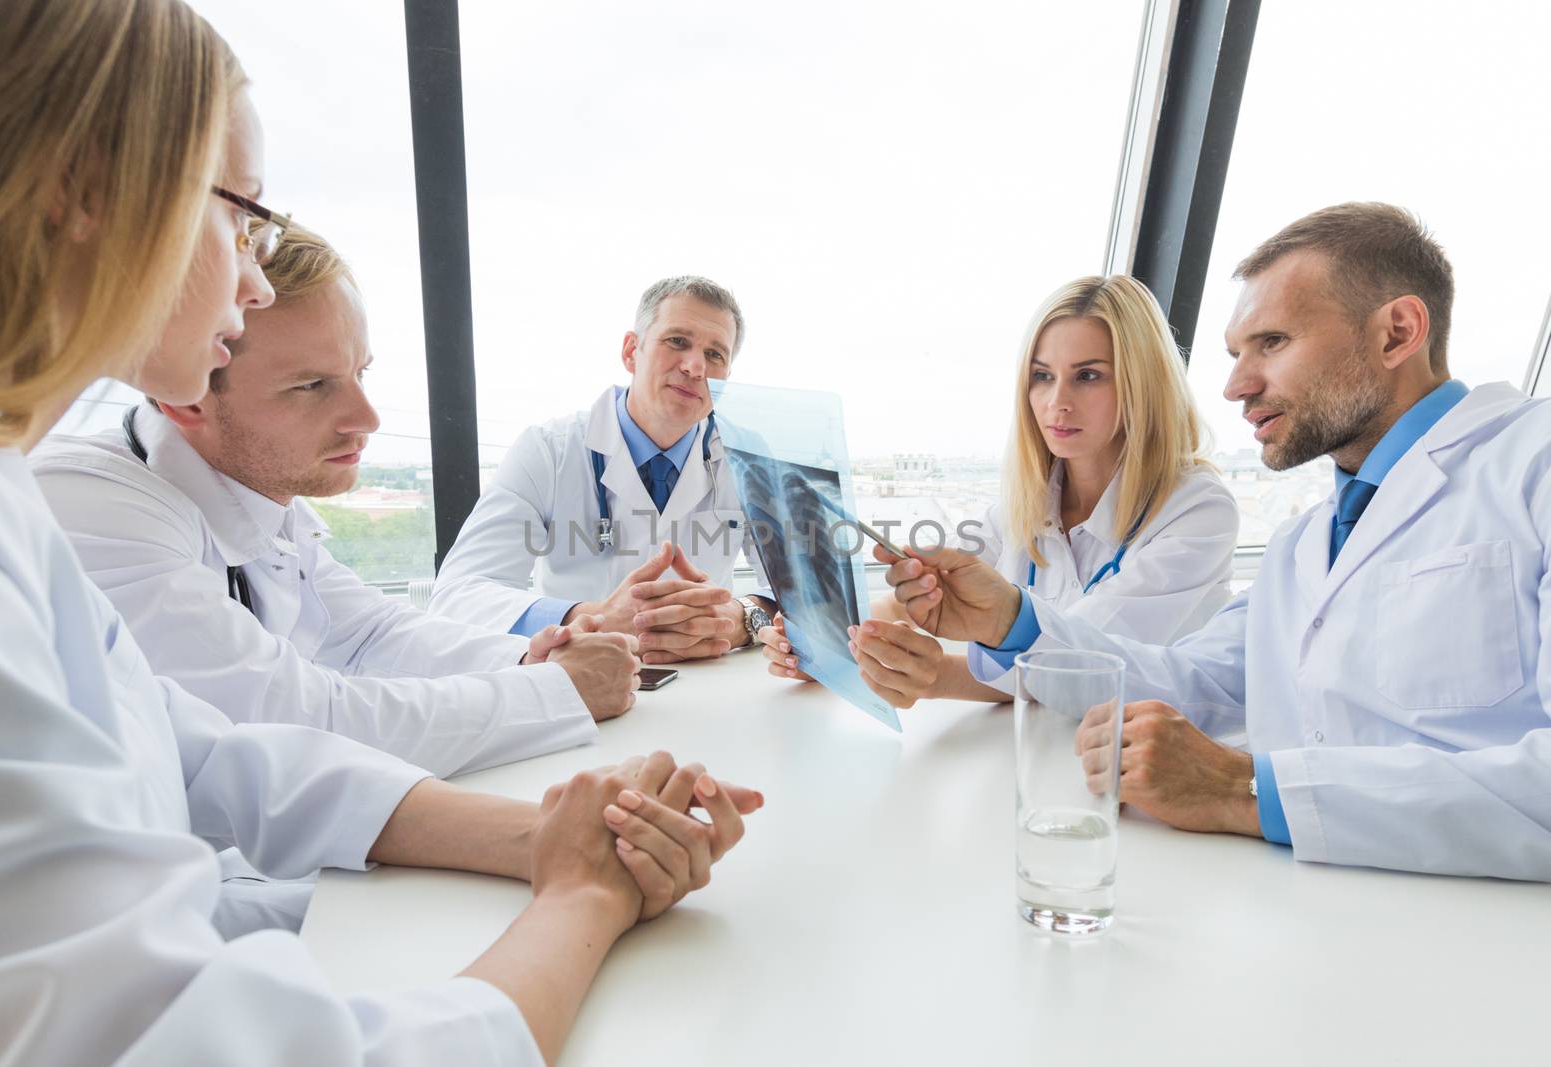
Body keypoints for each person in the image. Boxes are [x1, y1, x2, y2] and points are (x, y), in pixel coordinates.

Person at [0, 4, 754, 1063]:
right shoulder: (11, 517)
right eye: (242, 217)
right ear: (83, 194)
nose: (252, 274)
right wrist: (580, 891)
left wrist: (557, 830)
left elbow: (210, 755)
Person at [884, 202, 1551, 882]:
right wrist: (1013, 620)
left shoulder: (1534, 464)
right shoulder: (1305, 544)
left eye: (1273, 343)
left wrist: (1245, 789)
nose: (1236, 385)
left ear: (1397, 332)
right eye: (1236, 354)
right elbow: (1190, 681)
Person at [33, 224, 639, 781]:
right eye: (312, 386)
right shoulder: (90, 506)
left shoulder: (256, 491)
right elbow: (292, 718)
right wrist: (557, 691)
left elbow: (369, 634)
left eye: (360, 375)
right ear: (185, 395)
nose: (366, 419)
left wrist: (533, 657)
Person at [761, 275, 1238, 710]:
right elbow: (921, 600)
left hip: (1139, 761)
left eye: (1088, 376)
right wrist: (836, 648)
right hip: (1035, 746)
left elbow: (1079, 661)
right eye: (1042, 376)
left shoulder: (1197, 510)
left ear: (1143, 384)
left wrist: (933, 676)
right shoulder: (1022, 507)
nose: (1057, 403)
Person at [429, 276, 778, 663]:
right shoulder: (549, 449)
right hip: (578, 682)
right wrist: (592, 619)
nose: (696, 366)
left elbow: (813, 596)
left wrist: (740, 619)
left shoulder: (748, 458)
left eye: (715, 355)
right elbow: (458, 595)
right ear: (632, 351)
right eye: (677, 341)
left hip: (710, 685)